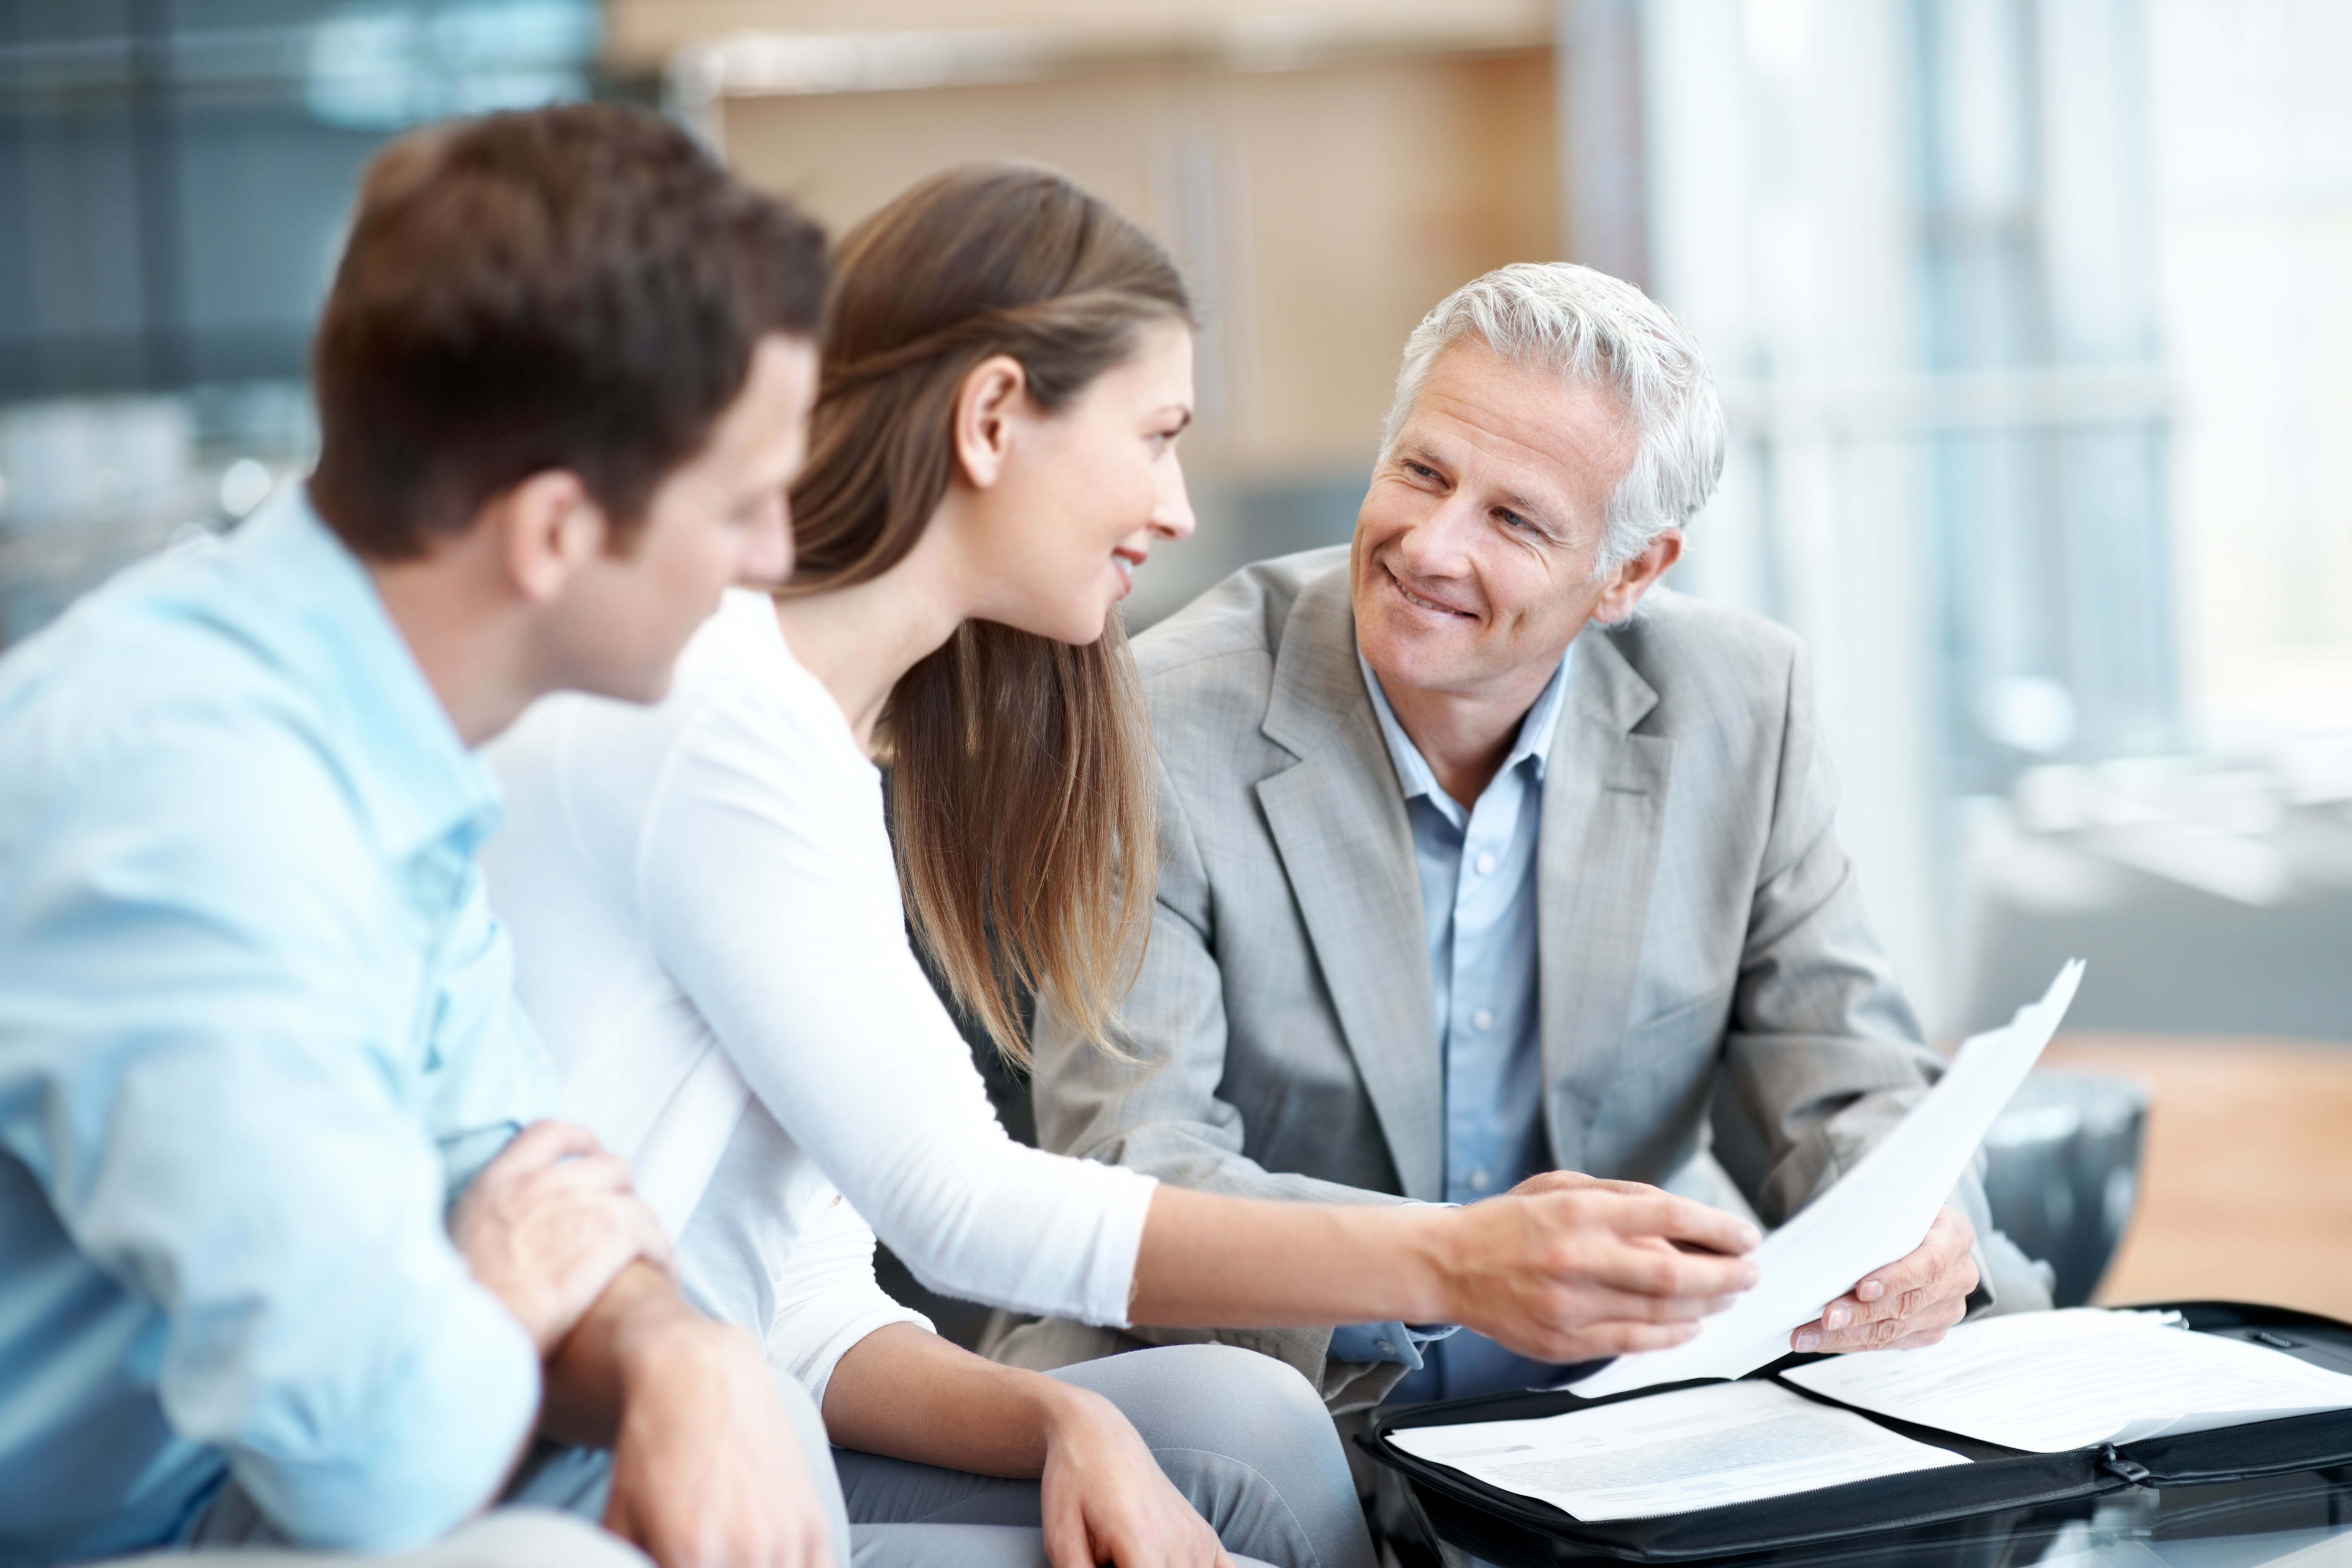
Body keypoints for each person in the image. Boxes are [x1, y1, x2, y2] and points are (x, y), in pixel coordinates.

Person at [480, 167, 1763, 1568]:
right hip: (559, 1457)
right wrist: (1456, 1259)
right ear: (991, 420)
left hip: (728, 1397)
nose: (1177, 506)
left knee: (1236, 1426)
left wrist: (1060, 1420)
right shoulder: (724, 718)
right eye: (1154, 438)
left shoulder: (830, 744)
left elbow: (800, 1288)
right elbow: (958, 1204)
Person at [0, 105, 844, 1567]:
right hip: (99, 1532)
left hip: (236, 1476)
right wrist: (495, 1296)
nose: (775, 553)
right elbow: (369, 1462)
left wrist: (672, 1350)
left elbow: (538, 1180)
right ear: (555, 533)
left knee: (741, 1400)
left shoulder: (376, 735)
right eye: (742, 501)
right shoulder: (193, 806)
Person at [988, 261, 2055, 1416]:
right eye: (1422, 471)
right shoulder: (1152, 721)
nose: (1429, 547)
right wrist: (1452, 1263)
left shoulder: (1741, 705)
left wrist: (1913, 1234)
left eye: (1512, 519)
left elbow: (1847, 1075)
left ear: (1628, 573)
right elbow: (1133, 1169)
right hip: (1277, 1402)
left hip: (1621, 1408)